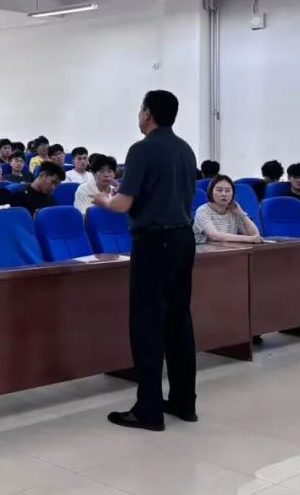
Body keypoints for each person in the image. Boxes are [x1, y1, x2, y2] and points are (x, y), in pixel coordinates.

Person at [92, 90, 198, 432]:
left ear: (147, 113)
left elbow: (122, 204)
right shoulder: (185, 149)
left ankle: (148, 409)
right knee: (179, 321)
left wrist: (103, 200)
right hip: (183, 239)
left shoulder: (142, 149)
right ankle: (184, 401)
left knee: (147, 323)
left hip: (154, 242)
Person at [192, 175, 263, 245]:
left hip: (228, 250)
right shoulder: (202, 211)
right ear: (211, 192)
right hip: (205, 251)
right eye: (219, 190)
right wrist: (249, 239)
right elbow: (214, 236)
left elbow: (255, 235)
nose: (224, 194)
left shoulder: (234, 211)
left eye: (228, 191)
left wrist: (241, 213)